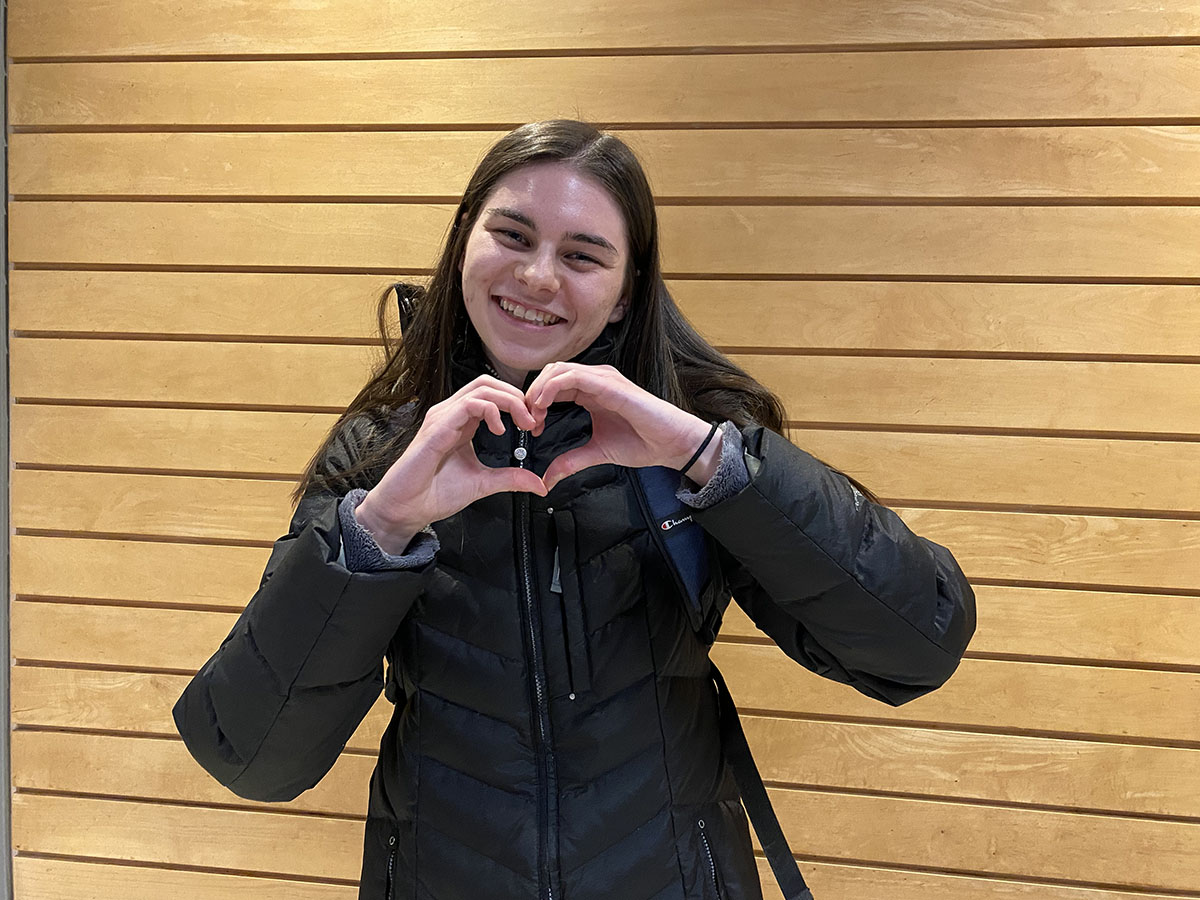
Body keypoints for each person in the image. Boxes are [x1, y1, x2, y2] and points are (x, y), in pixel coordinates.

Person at [174, 119, 975, 900]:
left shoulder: (694, 442)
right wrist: (377, 532)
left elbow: (917, 645)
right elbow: (253, 756)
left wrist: (713, 461)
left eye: (583, 255)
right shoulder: (382, 454)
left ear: (627, 295)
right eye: (514, 237)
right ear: (464, 245)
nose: (538, 277)